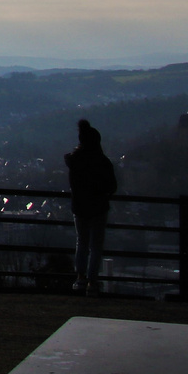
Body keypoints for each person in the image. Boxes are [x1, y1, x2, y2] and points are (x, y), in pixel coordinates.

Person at [65, 118, 117, 295]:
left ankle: (80, 278)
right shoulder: (102, 161)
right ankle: (92, 282)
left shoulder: (75, 161)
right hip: (99, 207)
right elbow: (112, 186)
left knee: (82, 242)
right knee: (96, 246)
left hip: (79, 207)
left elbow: (73, 185)